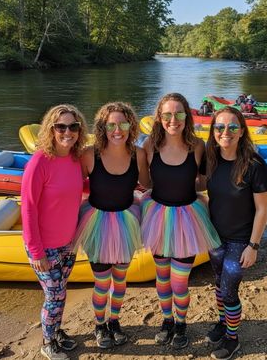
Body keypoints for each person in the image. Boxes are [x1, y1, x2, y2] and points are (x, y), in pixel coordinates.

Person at [141, 92, 221, 350]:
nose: (173, 119)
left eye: (178, 114)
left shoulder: (198, 146)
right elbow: (145, 183)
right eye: (167, 114)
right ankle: (167, 321)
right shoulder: (149, 146)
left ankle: (182, 323)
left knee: (179, 281)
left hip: (188, 217)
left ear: (187, 116)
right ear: (159, 117)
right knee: (162, 277)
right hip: (158, 217)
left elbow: (204, 180)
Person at [73, 102, 150, 349]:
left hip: (127, 222)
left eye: (124, 124)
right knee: (102, 281)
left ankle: (114, 321)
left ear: (131, 126)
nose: (118, 130)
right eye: (111, 125)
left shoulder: (138, 154)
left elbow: (149, 183)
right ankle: (99, 324)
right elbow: (70, 184)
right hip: (97, 223)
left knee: (120, 279)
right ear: (102, 127)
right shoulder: (89, 154)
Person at [21, 104, 88, 360]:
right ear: (51, 129)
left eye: (73, 126)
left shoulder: (74, 159)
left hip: (67, 243)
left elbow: (80, 189)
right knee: (54, 295)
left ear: (79, 130)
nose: (67, 132)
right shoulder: (40, 161)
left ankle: (57, 332)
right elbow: (27, 209)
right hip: (44, 246)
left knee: (61, 291)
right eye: (61, 127)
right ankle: (48, 342)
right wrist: (36, 251)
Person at [205, 106, 267, 360]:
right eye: (220, 127)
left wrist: (253, 246)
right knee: (219, 285)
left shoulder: (255, 165)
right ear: (213, 131)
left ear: (242, 131)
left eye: (233, 127)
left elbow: (262, 209)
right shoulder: (211, 159)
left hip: (241, 240)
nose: (226, 132)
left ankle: (232, 339)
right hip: (215, 236)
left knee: (230, 288)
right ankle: (223, 323)